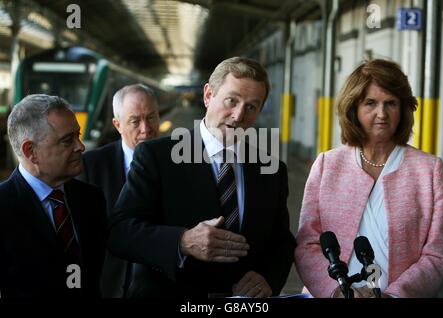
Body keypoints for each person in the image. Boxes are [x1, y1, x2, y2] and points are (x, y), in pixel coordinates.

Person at [107, 56, 296, 298]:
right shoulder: (157, 157)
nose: (238, 115)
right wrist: (182, 241)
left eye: (251, 106)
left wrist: (268, 278)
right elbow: (120, 232)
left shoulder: (271, 170)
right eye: (231, 101)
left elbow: (281, 241)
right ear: (208, 95)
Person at [295, 59, 443, 298]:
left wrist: (395, 295)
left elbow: (439, 254)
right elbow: (307, 245)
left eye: (391, 103)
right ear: (353, 108)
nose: (382, 114)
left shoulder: (429, 170)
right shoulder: (327, 165)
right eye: (370, 103)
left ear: (403, 109)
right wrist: (337, 292)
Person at [0, 94, 106, 298]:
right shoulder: (3, 207)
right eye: (68, 140)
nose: (80, 146)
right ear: (31, 151)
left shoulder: (91, 199)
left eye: (78, 135)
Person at [78, 84, 160, 297]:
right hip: (107, 287)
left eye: (151, 117)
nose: (146, 129)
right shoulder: (90, 165)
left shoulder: (176, 162)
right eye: (135, 121)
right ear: (117, 124)